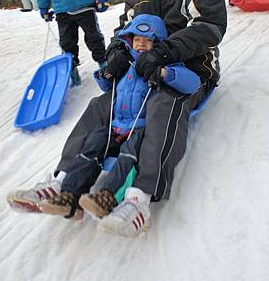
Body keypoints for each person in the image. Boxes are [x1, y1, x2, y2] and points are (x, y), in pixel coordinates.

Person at [7, 0, 227, 237]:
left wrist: (165, 52)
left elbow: (211, 26)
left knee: (164, 105)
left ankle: (140, 197)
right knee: (101, 105)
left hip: (186, 70)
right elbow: (121, 33)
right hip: (141, 70)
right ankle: (63, 182)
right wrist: (116, 54)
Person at [29, 14, 201, 222]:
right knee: (91, 147)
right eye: (137, 40)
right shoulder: (125, 63)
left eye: (147, 41)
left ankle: (108, 197)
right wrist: (108, 71)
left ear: (157, 44)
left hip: (139, 127)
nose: (141, 45)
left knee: (128, 156)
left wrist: (164, 73)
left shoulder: (163, 64)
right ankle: (69, 196)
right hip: (115, 125)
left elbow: (192, 84)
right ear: (130, 41)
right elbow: (105, 86)